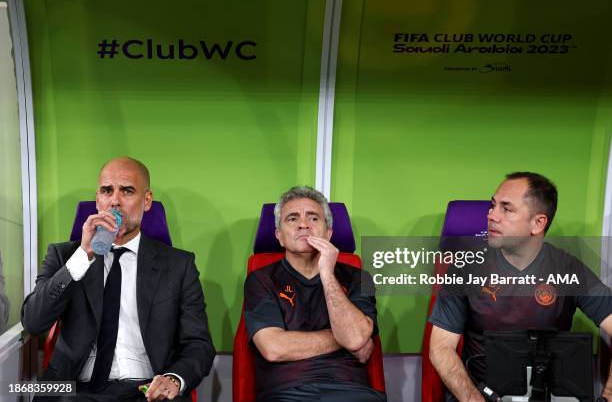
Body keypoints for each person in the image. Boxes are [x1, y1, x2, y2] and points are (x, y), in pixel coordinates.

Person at [21, 157, 215, 401]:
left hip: (146, 391)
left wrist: (174, 379)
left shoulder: (178, 265)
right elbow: (33, 323)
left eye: (127, 191)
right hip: (73, 391)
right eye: (106, 191)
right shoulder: (65, 256)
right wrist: (83, 256)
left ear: (146, 201)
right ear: (98, 200)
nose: (115, 200)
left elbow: (199, 344)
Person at [429, 172, 612, 401]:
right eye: (493, 205)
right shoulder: (467, 266)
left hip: (546, 393)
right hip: (480, 394)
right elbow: (440, 347)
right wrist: (472, 398)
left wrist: (608, 396)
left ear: (537, 223)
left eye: (507, 209)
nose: (491, 216)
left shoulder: (568, 269)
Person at [244, 186, 386, 402]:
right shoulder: (260, 279)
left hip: (350, 392)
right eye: (292, 219)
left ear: (328, 233)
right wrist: (344, 339)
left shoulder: (359, 277)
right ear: (279, 236)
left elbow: (357, 338)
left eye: (313, 218)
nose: (303, 224)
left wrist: (327, 273)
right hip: (287, 392)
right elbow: (273, 348)